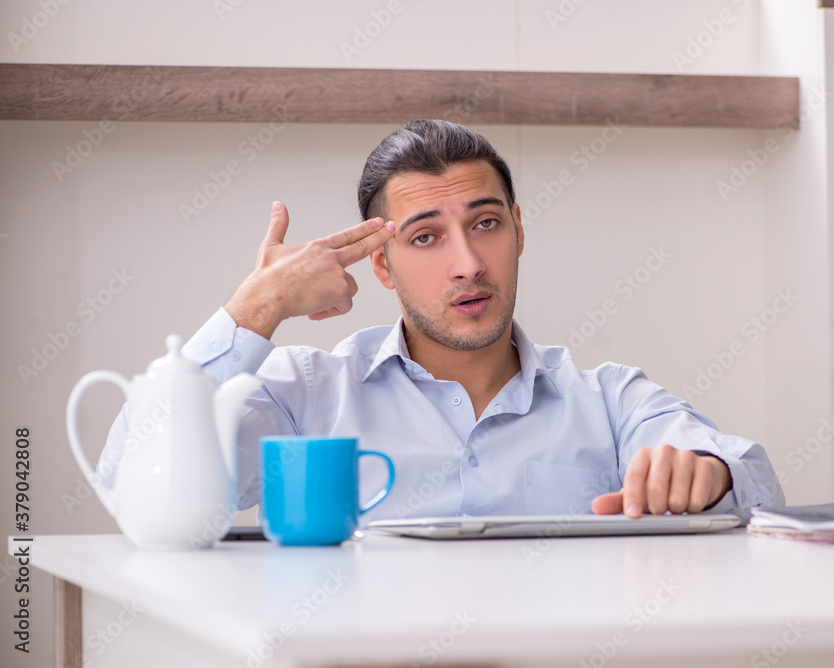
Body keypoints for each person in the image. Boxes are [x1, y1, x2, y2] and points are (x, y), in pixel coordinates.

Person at [99, 120, 784, 523]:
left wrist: (709, 475)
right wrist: (257, 308)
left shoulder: (608, 400)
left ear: (518, 231)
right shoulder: (303, 395)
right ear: (383, 265)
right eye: (426, 237)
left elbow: (752, 479)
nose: (468, 264)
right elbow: (135, 485)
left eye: (485, 225)